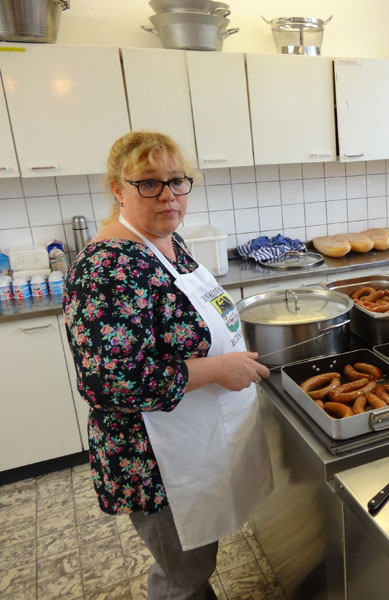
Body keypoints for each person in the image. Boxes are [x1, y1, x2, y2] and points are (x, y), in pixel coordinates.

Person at [63, 131, 273, 599]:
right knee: (182, 574)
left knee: (196, 560)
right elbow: (111, 382)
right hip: (154, 458)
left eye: (177, 181)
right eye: (148, 183)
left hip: (193, 438)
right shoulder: (107, 268)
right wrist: (217, 370)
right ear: (118, 189)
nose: (168, 196)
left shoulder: (167, 242)